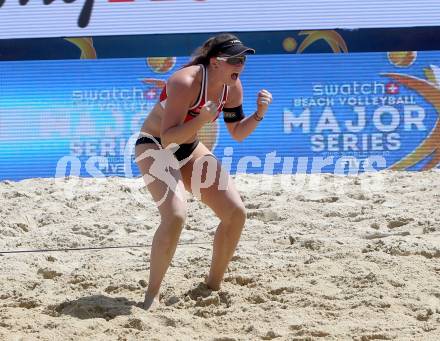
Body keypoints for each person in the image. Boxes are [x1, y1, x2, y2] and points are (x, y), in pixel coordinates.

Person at [134, 33, 272, 310]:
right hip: (155, 146)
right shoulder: (185, 81)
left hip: (188, 148)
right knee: (174, 216)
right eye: (234, 59)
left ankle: (211, 287)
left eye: (243, 59)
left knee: (236, 214)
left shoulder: (232, 87)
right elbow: (169, 137)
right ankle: (151, 297)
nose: (240, 64)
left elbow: (237, 133)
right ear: (215, 62)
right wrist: (201, 119)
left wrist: (258, 114)